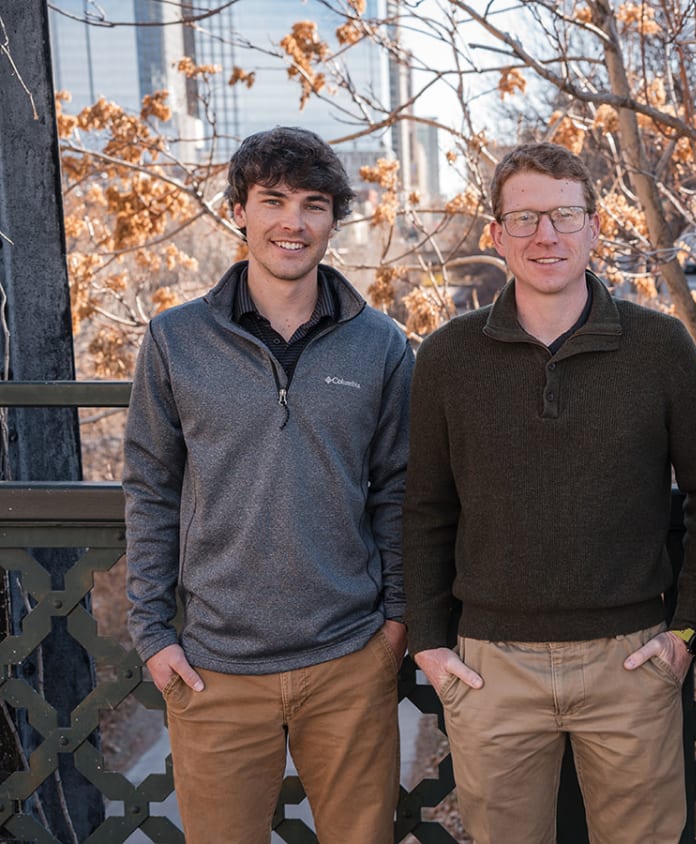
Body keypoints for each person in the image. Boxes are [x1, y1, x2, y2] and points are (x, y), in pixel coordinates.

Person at [402, 142, 696, 844]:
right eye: (523, 219)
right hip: (491, 667)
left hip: (633, 659)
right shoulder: (447, 357)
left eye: (564, 215)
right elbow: (425, 506)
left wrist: (689, 630)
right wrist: (428, 641)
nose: (545, 235)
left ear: (594, 228)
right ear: (496, 235)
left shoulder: (662, 347)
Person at [124, 126, 413, 843]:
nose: (294, 221)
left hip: (350, 660)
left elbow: (400, 489)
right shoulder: (174, 340)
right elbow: (150, 487)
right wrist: (153, 631)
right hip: (215, 670)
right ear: (239, 212)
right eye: (273, 200)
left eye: (315, 204)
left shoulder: (381, 344)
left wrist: (398, 622)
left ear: (333, 220)